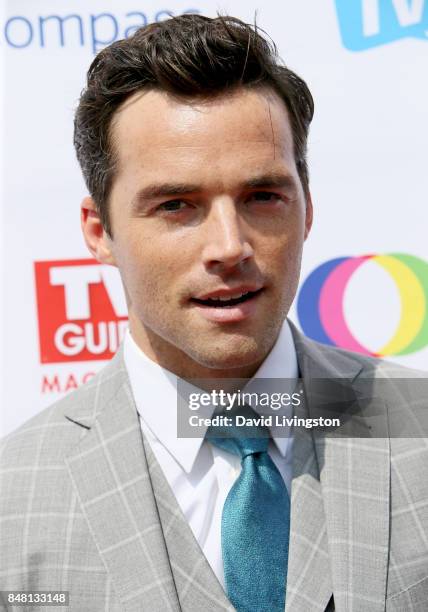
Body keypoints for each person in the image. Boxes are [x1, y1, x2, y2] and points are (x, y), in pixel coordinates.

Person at [1, 14, 427, 612]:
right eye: (176, 205)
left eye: (262, 196)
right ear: (100, 232)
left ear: (306, 209)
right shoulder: (13, 499)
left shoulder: (420, 430)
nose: (230, 246)